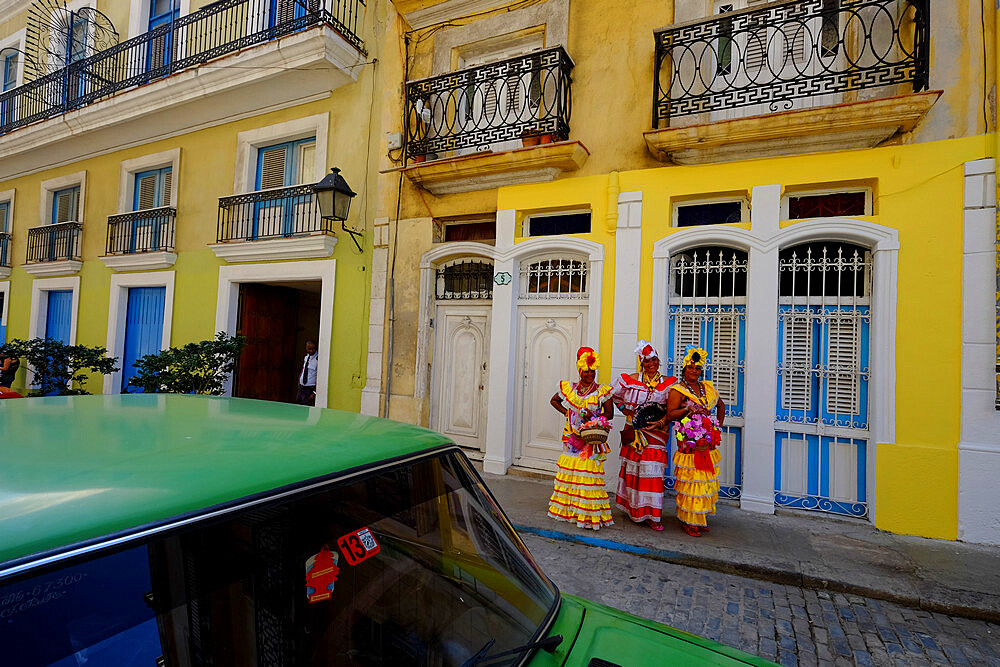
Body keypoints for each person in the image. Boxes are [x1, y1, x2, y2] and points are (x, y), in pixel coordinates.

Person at [546, 346, 615, 530]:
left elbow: (610, 413)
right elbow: (554, 401)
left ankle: (586, 512)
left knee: (587, 473)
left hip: (590, 439)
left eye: (592, 371)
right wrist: (567, 412)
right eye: (586, 371)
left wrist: (595, 419)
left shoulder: (602, 391)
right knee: (571, 471)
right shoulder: (571, 389)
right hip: (571, 438)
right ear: (580, 371)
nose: (590, 374)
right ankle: (570, 510)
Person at [612, 341, 676, 531]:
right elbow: (613, 395)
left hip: (657, 434)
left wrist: (663, 420)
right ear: (642, 363)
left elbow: (674, 405)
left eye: (654, 360)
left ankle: (652, 515)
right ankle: (635, 511)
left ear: (659, 361)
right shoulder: (631, 380)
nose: (651, 364)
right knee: (636, 471)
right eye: (647, 361)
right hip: (634, 432)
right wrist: (627, 412)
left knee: (652, 474)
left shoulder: (668, 383)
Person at [665, 346, 726, 537]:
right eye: (691, 367)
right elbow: (670, 414)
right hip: (689, 444)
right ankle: (689, 521)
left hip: (706, 442)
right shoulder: (678, 390)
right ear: (684, 369)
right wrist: (687, 411)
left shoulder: (706, 388)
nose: (694, 371)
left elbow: (721, 405)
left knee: (705, 480)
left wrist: (717, 427)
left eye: (697, 368)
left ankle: (700, 518)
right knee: (691, 482)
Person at [296, 340, 318, 406]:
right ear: (306, 348)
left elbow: (319, 377)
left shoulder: (318, 359)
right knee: (297, 407)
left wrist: (314, 393)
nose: (311, 351)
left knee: (305, 410)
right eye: (309, 349)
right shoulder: (306, 357)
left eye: (313, 349)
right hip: (301, 388)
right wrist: (299, 380)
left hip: (309, 389)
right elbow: (303, 369)